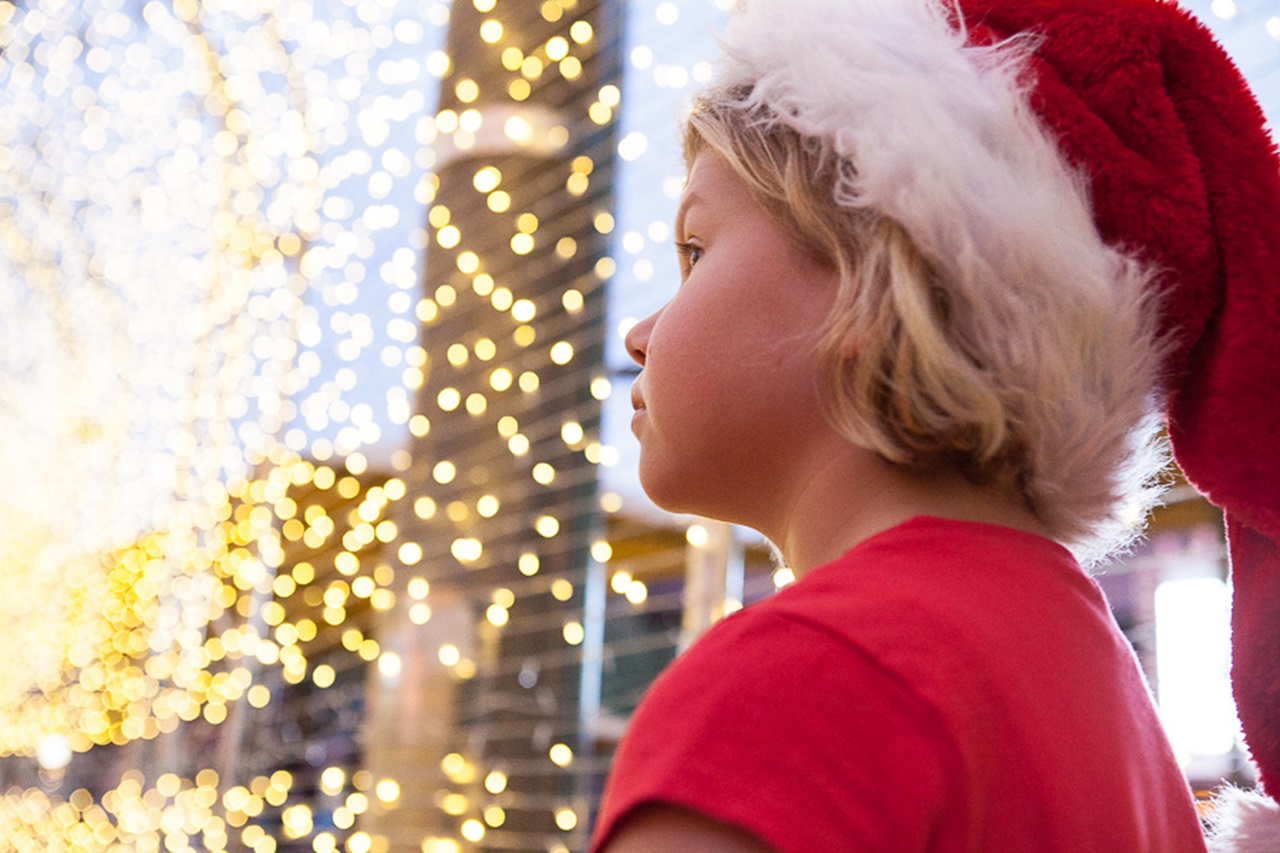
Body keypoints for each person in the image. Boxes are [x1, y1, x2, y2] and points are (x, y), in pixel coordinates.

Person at [589, 0, 1280, 851]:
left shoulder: (808, 680)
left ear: (874, 274)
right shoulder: (1100, 695)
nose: (639, 333)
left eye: (694, 249)